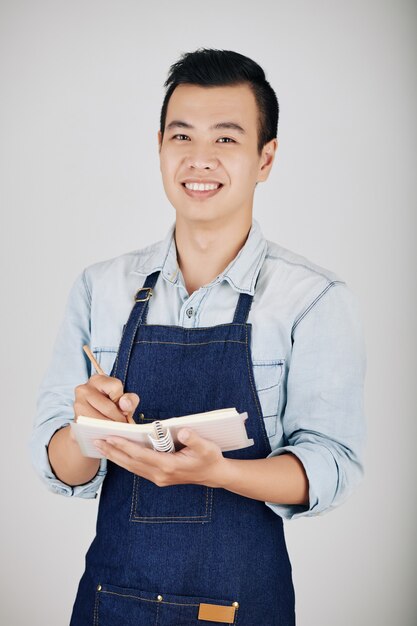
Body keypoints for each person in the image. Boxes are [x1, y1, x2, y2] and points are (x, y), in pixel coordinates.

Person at [30, 48, 366, 625]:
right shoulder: (99, 288)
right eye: (181, 137)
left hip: (240, 608)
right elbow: (59, 466)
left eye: (227, 140)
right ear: (159, 147)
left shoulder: (312, 299)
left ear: (266, 159)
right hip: (111, 603)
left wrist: (220, 472)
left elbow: (330, 465)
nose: (199, 159)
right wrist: (88, 431)